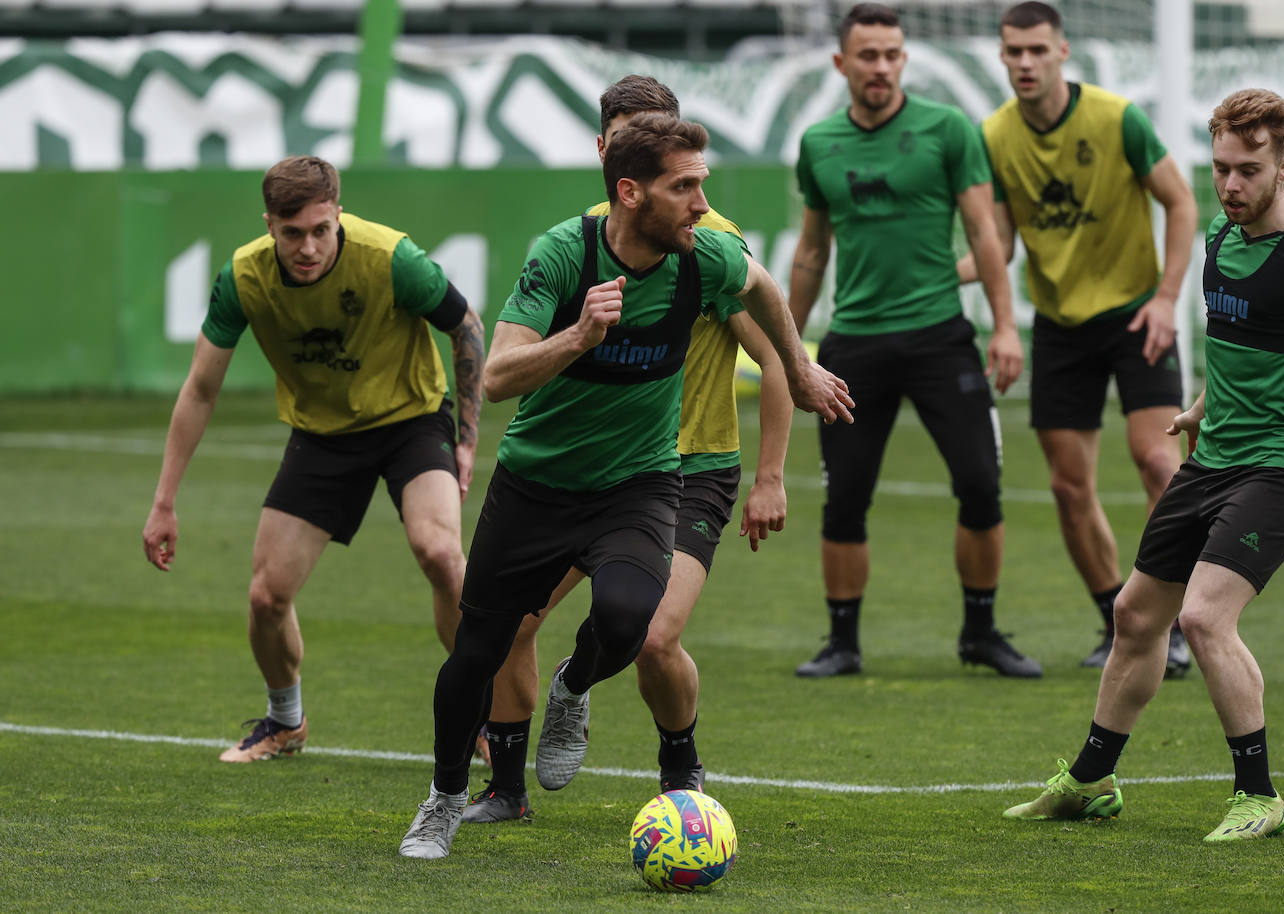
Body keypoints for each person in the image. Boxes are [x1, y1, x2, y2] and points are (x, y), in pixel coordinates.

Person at [398, 113, 854, 859]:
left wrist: (799, 368)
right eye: (686, 187)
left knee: (629, 617)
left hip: (638, 483)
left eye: (702, 184)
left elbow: (765, 287)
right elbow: (500, 374)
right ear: (631, 192)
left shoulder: (705, 255)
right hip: (536, 485)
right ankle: (446, 797)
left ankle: (572, 689)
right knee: (477, 652)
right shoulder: (562, 253)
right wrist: (578, 337)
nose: (702, 203)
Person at [1003, 88, 1284, 842]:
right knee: (1135, 615)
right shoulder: (1217, 235)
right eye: (1220, 169)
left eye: (1249, 170)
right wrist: (1205, 403)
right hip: (1213, 460)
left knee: (1203, 617)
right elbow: (1247, 343)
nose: (1231, 185)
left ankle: (1260, 795)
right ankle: (1091, 780)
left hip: (1283, 467)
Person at [459, 75, 798, 825]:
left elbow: (775, 351)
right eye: (627, 132)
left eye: (662, 130)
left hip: (688, 467)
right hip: (581, 472)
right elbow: (510, 365)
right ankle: (506, 789)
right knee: (512, 625)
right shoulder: (574, 243)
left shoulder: (706, 240)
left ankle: (674, 758)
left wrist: (770, 475)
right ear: (608, 151)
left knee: (650, 635)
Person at [140, 155, 486, 762]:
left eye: (321, 230)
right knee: (266, 598)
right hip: (322, 435)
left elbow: (466, 328)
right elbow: (199, 389)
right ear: (269, 224)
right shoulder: (244, 279)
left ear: (338, 217)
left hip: (409, 418)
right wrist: (164, 501)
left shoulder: (391, 258)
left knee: (440, 553)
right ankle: (285, 721)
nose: (308, 247)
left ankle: (481, 719)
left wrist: (465, 436)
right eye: (292, 232)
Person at [789, 2, 1039, 680]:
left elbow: (987, 236)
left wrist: (1007, 326)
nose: (881, 67)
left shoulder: (949, 130)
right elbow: (811, 252)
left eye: (892, 54)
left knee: (982, 486)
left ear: (904, 59)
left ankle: (980, 633)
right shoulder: (818, 144)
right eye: (867, 55)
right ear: (842, 63)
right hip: (854, 344)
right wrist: (787, 348)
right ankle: (842, 643)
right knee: (845, 499)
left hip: (941, 339)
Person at [959, 1, 1198, 673]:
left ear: (1063, 51)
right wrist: (938, 274)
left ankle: (1169, 620)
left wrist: (1166, 301)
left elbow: (1181, 203)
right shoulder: (992, 136)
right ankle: (1117, 622)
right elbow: (997, 241)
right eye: (1014, 52)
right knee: (1068, 488)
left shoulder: (1117, 118)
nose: (1026, 62)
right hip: (1060, 326)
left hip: (1135, 315)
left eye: (1038, 49)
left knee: (1158, 462)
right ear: (1001, 57)